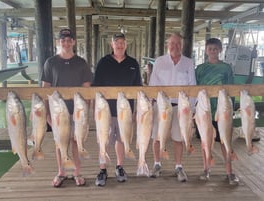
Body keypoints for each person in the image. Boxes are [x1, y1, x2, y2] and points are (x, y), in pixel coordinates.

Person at [41, 28, 93, 187]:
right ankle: (61, 171)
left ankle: (77, 172)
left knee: (76, 141)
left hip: (76, 112)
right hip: (57, 112)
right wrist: (46, 114)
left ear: (74, 42)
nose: (66, 42)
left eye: (69, 39)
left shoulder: (81, 63)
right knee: (59, 142)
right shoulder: (50, 62)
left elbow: (87, 89)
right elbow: (45, 89)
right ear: (59, 42)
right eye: (63, 40)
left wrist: (85, 114)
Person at [92, 33, 142, 187]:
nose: (119, 45)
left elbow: (138, 88)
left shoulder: (133, 63)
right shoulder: (103, 62)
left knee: (121, 139)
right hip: (105, 109)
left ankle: (120, 167)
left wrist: (137, 112)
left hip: (125, 110)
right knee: (103, 139)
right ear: (112, 45)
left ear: (126, 45)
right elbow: (95, 86)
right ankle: (102, 169)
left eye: (122, 42)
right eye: (116, 42)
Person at [149, 32, 196, 182]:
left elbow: (192, 87)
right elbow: (153, 84)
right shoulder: (159, 61)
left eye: (178, 44)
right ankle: (157, 164)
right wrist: (150, 106)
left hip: (180, 106)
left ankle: (179, 167)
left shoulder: (188, 62)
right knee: (157, 136)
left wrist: (192, 110)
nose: (175, 46)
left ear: (181, 46)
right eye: (172, 43)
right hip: (161, 105)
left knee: (178, 138)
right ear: (167, 45)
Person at [195, 38, 239, 185]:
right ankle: (206, 169)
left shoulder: (226, 68)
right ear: (206, 50)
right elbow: (195, 89)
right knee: (205, 141)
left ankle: (229, 172)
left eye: (215, 49)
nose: (212, 51)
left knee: (224, 141)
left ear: (220, 50)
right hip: (204, 112)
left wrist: (231, 110)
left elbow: (231, 89)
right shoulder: (200, 69)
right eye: (210, 49)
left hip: (222, 112)